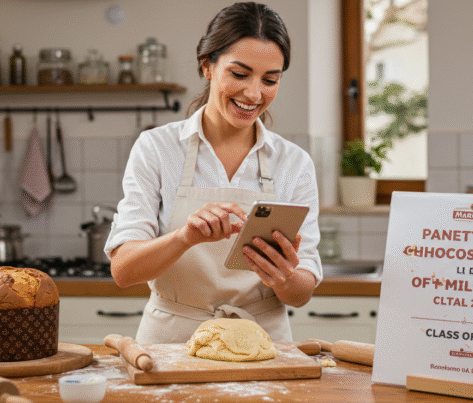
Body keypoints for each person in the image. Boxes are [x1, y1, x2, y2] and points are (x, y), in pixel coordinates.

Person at [104, 2, 322, 344]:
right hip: (170, 344)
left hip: (261, 343)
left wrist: (284, 278)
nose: (254, 94)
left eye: (270, 80)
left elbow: (301, 293)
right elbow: (123, 271)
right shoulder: (157, 148)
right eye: (239, 74)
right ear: (207, 65)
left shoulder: (293, 163)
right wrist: (184, 237)